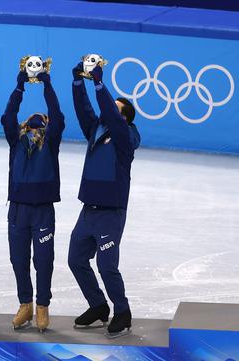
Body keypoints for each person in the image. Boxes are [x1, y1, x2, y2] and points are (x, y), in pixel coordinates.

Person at [68, 63, 140, 338]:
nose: (108, 109)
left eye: (115, 107)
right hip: (88, 211)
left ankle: (122, 311)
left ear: (125, 118)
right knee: (76, 260)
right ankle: (98, 305)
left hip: (111, 213)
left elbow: (108, 110)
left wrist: (100, 84)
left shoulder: (125, 137)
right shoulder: (96, 129)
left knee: (106, 266)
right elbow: (84, 109)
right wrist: (78, 83)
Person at [1, 71, 65, 332]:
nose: (35, 121)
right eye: (31, 120)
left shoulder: (50, 141)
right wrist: (20, 87)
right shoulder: (15, 140)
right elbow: (7, 117)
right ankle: (25, 304)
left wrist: (47, 85)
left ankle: (42, 306)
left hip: (42, 211)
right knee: (18, 259)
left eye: (42, 120)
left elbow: (58, 116)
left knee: (44, 260)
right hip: (17, 210)